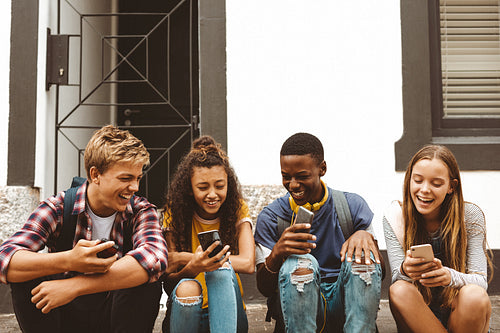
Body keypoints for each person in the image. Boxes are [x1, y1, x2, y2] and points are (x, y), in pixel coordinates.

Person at [0, 125, 168, 333]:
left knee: (147, 276)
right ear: (95, 174)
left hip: (116, 316)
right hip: (64, 316)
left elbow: (155, 257)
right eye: (126, 178)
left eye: (137, 178)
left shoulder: (141, 211)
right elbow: (6, 259)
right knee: (26, 276)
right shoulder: (59, 207)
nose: (134, 187)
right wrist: (70, 259)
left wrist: (76, 286)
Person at [254, 132, 383, 333]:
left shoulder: (352, 206)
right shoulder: (271, 217)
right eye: (286, 177)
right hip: (298, 307)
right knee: (299, 264)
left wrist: (365, 237)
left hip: (346, 301)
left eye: (302, 176)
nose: (293, 185)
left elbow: (377, 273)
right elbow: (264, 288)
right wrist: (277, 254)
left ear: (322, 168)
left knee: (362, 257)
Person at [383, 144, 493, 332]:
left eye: (436, 184)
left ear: (452, 186)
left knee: (474, 294)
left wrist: (450, 277)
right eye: (418, 180)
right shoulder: (395, 217)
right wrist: (405, 269)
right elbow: (396, 279)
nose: (424, 189)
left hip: (462, 316)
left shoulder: (470, 216)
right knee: (399, 289)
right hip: (420, 317)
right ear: (409, 180)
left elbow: (481, 281)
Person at [161, 136, 255, 332]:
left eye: (220, 186)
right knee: (188, 286)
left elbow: (247, 263)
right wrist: (193, 267)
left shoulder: (237, 208)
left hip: (230, 313)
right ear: (189, 188)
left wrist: (186, 257)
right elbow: (168, 278)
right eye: (203, 187)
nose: (212, 194)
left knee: (219, 269)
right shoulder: (175, 212)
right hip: (188, 310)